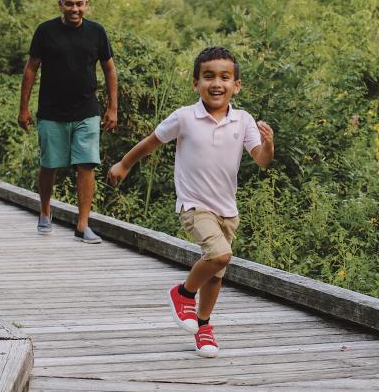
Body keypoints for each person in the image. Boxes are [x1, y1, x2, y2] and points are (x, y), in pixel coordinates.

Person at [109, 46, 274, 357]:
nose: (216, 83)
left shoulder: (243, 120)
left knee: (216, 272)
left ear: (236, 85)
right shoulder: (184, 117)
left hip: (228, 209)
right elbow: (150, 143)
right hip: (194, 205)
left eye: (224, 77)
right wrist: (124, 164)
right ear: (195, 82)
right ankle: (183, 293)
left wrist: (268, 144)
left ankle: (204, 326)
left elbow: (262, 160)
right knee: (221, 255)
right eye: (208, 76)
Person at [18, 0, 118, 243]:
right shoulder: (46, 31)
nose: (75, 9)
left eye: (79, 4)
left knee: (86, 164)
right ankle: (45, 210)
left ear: (86, 4)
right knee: (49, 165)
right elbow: (31, 69)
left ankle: (83, 224)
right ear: (60, 5)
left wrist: (112, 108)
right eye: (70, 4)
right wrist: (24, 108)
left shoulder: (96, 32)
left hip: (87, 110)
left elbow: (109, 69)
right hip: (51, 110)